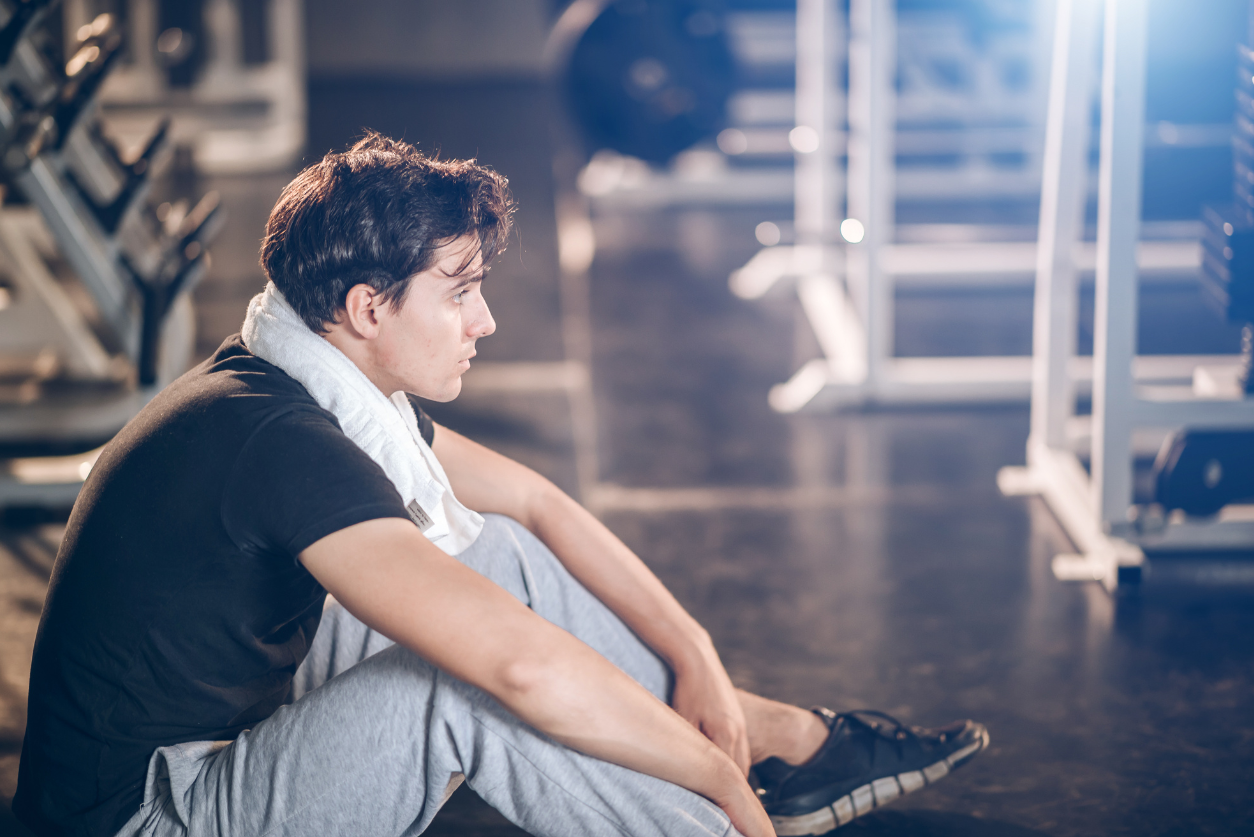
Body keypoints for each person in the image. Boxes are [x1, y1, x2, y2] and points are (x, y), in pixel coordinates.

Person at [15, 133, 987, 837]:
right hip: (141, 818)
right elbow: (519, 670)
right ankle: (726, 822)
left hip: (209, 747)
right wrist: (712, 780)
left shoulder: (302, 383)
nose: (484, 322)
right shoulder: (283, 440)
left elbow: (536, 506)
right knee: (466, 684)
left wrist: (699, 662)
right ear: (367, 307)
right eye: (461, 291)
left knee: (494, 554)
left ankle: (776, 741)